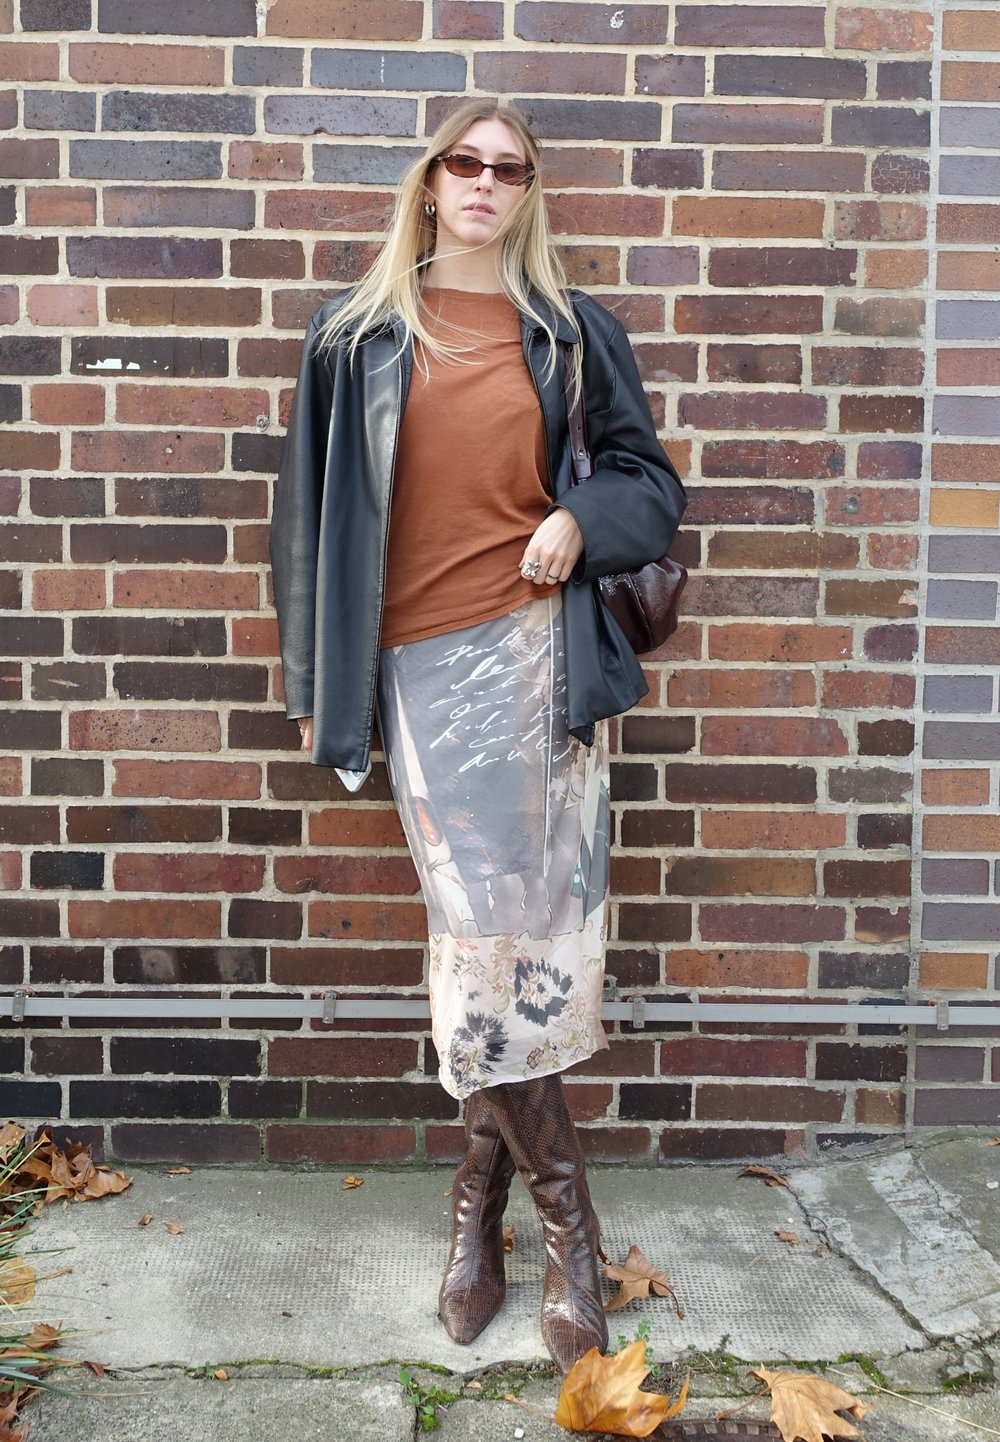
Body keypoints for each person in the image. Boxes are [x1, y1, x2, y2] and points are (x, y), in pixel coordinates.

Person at [269, 98, 686, 1374]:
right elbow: (308, 522)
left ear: (528, 192)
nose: (487, 184)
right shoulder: (354, 340)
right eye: (467, 163)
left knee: (526, 946)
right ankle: (569, 1223)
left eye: (510, 169)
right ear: (430, 179)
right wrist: (315, 678)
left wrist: (582, 524)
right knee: (478, 942)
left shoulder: (569, 332)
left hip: (538, 665)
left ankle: (485, 1212)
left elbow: (650, 484)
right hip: (418, 671)